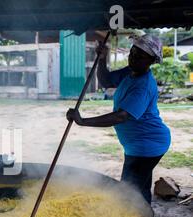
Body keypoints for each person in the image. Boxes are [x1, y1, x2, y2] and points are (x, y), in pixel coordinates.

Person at [66, 34, 171, 204]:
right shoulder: (130, 72)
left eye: (140, 56)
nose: (133, 57)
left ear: (151, 60)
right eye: (132, 52)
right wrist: (102, 59)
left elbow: (122, 116)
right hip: (138, 145)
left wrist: (83, 121)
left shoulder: (143, 85)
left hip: (147, 145)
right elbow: (106, 81)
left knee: (127, 192)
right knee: (139, 188)